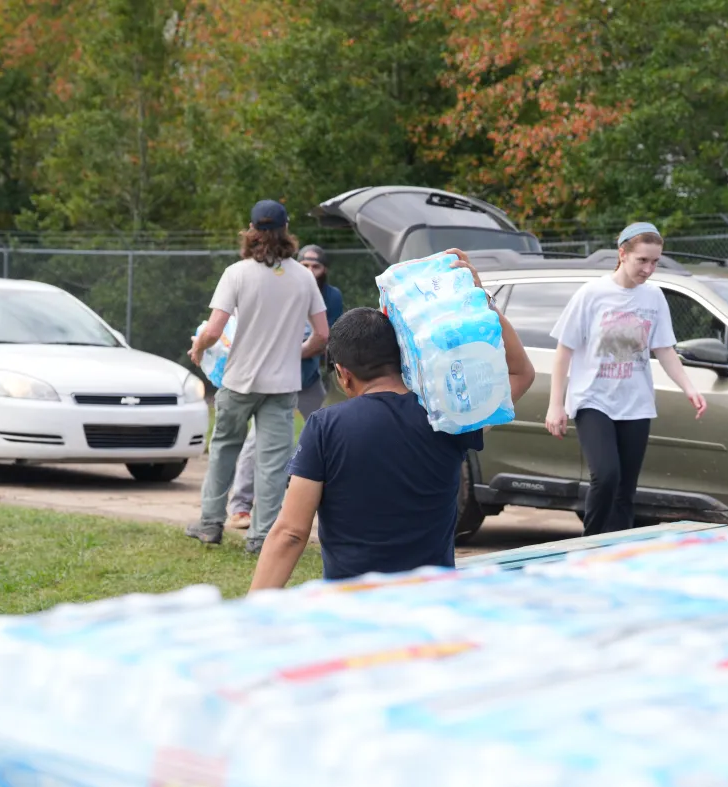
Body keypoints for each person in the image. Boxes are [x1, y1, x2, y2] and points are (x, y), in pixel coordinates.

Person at [248, 249, 534, 589]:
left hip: (355, 607)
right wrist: (479, 302)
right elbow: (522, 373)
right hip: (433, 602)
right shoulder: (447, 417)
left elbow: (291, 533)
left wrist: (255, 611)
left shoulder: (325, 427)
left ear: (343, 373)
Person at [543, 222, 706, 536]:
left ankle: (618, 551)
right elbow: (564, 351)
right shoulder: (592, 294)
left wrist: (689, 388)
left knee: (625, 489)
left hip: (636, 403)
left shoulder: (654, 297)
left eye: (654, 262)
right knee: (606, 476)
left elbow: (664, 349)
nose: (648, 269)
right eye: (642, 260)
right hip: (593, 400)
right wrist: (556, 405)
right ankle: (590, 545)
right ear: (622, 254)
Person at [186, 200, 329, 554]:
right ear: (287, 229)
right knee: (273, 463)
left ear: (251, 230)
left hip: (238, 382)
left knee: (223, 451)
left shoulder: (237, 273)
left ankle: (209, 524)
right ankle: (261, 537)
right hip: (282, 387)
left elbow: (216, 328)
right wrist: (292, 353)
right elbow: (323, 335)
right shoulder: (303, 277)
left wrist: (199, 348)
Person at [226, 244, 345, 530]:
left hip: (306, 380)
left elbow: (325, 338)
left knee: (332, 434)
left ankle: (334, 501)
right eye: (303, 264)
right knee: (256, 441)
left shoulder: (331, 296)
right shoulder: (285, 286)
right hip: (274, 382)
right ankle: (241, 506)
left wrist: (293, 352)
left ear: (324, 269)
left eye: (315, 265)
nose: (309, 270)